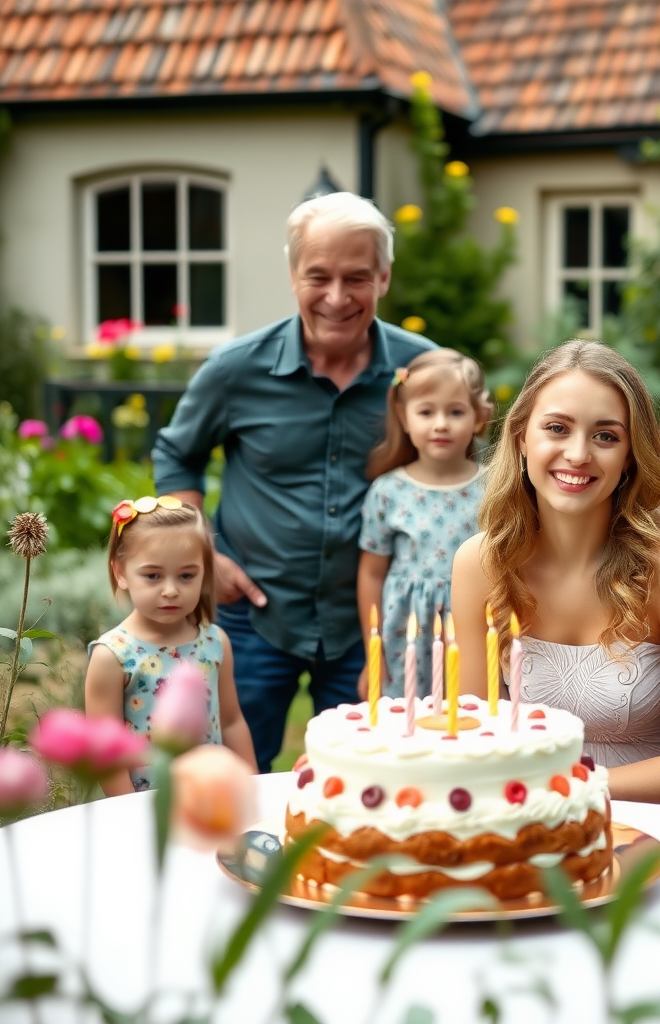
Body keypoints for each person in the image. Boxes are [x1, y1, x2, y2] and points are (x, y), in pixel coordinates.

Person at [152, 191, 435, 773]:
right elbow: (176, 455)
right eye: (318, 276)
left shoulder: (425, 373)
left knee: (365, 780)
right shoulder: (236, 369)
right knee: (226, 777)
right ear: (292, 275)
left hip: (372, 624)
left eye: (357, 277)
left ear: (383, 276)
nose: (336, 297)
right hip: (251, 617)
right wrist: (202, 550)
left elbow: (463, 476)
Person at [451, 340, 660, 807]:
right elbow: (473, 739)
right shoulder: (481, 565)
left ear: (629, 455)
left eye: (606, 436)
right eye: (557, 429)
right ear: (522, 437)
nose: (579, 453)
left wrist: (563, 787)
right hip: (534, 824)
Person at [85, 496, 257, 796]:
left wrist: (254, 787)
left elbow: (231, 722)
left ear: (205, 574)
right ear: (121, 572)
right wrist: (132, 816)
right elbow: (106, 753)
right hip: (147, 812)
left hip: (212, 802)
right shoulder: (113, 656)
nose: (170, 590)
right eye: (152, 576)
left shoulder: (215, 642)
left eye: (187, 575)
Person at [358, 349, 494, 698]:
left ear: (479, 417)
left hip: (472, 626)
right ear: (404, 417)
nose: (440, 424)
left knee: (471, 719)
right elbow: (372, 573)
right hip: (407, 633)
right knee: (406, 730)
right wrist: (372, 653)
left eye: (456, 411)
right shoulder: (388, 492)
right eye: (426, 411)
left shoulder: (494, 487)